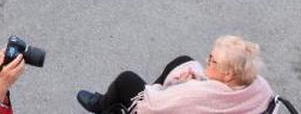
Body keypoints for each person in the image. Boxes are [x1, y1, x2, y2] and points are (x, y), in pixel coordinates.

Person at [76, 35, 272, 113]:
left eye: (213, 61)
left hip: (157, 107)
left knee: (126, 80)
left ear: (228, 74)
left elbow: (154, 105)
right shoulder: (259, 88)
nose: (207, 62)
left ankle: (104, 106)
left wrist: (180, 89)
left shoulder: (198, 94)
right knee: (182, 61)